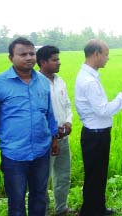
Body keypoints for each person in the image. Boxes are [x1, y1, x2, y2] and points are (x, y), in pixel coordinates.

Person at [0, 37, 59, 216]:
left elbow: (49, 114)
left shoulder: (43, 82)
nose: (29, 57)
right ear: (11, 58)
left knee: (39, 197)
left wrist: (54, 139)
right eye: (23, 54)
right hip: (14, 155)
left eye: (32, 53)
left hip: (41, 151)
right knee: (16, 203)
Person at [75, 39, 122, 216]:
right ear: (96, 54)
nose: (108, 58)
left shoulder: (89, 76)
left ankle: (96, 209)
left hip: (96, 134)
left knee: (97, 175)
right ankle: (91, 211)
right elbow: (103, 110)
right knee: (95, 175)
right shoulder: (89, 81)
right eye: (106, 54)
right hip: (96, 136)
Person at [36, 45, 75, 216]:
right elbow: (37, 113)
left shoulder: (60, 81)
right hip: (44, 141)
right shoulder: (35, 83)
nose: (59, 62)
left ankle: (61, 208)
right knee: (42, 180)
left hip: (63, 138)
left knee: (63, 175)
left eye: (58, 59)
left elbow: (67, 105)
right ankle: (42, 211)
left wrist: (68, 122)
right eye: (55, 60)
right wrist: (52, 131)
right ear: (43, 62)